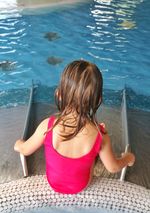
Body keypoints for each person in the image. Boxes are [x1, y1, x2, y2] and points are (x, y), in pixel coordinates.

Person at [14, 60, 135, 194]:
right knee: (97, 144)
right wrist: (128, 158)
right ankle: (93, 149)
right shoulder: (101, 136)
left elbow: (25, 150)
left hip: (53, 183)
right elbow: (113, 167)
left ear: (59, 95)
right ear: (98, 100)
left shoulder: (48, 126)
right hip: (81, 185)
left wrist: (18, 144)